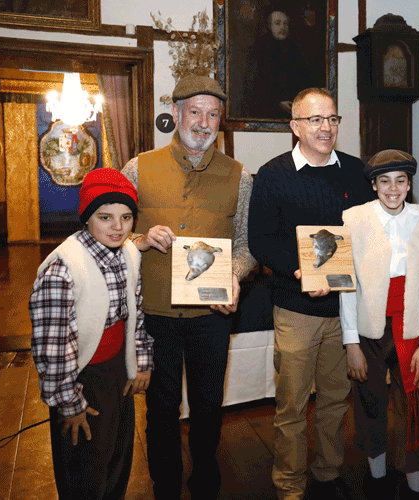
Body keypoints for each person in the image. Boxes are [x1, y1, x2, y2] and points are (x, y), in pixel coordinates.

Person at [120, 75, 256, 500]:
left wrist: (234, 273)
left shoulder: (240, 176)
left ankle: (205, 481)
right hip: (154, 314)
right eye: (194, 111)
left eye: (212, 114)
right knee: (160, 410)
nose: (203, 122)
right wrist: (138, 241)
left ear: (221, 121)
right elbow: (106, 236)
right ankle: (164, 486)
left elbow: (246, 246)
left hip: (210, 318)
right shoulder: (138, 168)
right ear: (176, 114)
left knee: (208, 408)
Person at [248, 87, 374, 500]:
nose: (326, 128)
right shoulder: (272, 174)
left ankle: (328, 472)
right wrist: (300, 269)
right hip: (295, 309)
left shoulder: (357, 173)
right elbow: (260, 242)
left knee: (336, 399)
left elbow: (369, 236)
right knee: (292, 406)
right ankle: (289, 483)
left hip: (344, 309)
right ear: (295, 126)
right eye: (315, 120)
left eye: (332, 119)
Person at [29, 167, 153, 500]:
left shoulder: (127, 252)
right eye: (105, 217)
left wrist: (139, 361)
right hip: (83, 377)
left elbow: (135, 313)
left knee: (116, 456)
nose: (118, 227)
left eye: (126, 217)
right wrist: (69, 404)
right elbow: (53, 347)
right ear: (87, 217)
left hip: (116, 371)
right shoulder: (62, 267)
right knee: (86, 465)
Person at [340, 150, 419, 500]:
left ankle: (415, 483)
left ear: (410, 184)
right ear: (373, 185)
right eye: (384, 181)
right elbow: (346, 285)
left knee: (413, 403)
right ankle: (377, 478)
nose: (393, 189)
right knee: (370, 401)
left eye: (401, 180)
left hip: (410, 326)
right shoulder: (353, 221)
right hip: (368, 328)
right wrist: (351, 342)